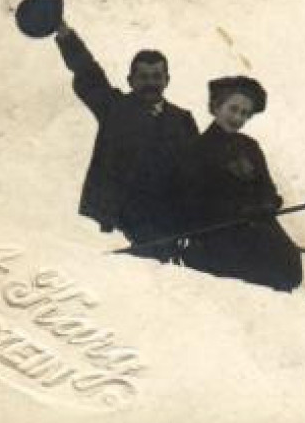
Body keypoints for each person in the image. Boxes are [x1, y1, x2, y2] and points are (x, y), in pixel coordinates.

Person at [52, 21, 197, 255]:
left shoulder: (182, 119)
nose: (150, 83)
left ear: (167, 80)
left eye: (156, 76)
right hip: (120, 218)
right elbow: (87, 71)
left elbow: (196, 170)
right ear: (130, 81)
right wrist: (65, 34)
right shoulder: (113, 108)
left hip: (168, 218)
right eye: (143, 77)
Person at [173, 76, 302, 292]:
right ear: (215, 107)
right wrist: (238, 211)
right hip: (216, 234)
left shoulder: (250, 147)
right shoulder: (197, 149)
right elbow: (192, 203)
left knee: (289, 266)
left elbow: (267, 188)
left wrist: (268, 203)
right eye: (232, 109)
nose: (237, 118)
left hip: (257, 227)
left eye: (244, 114)